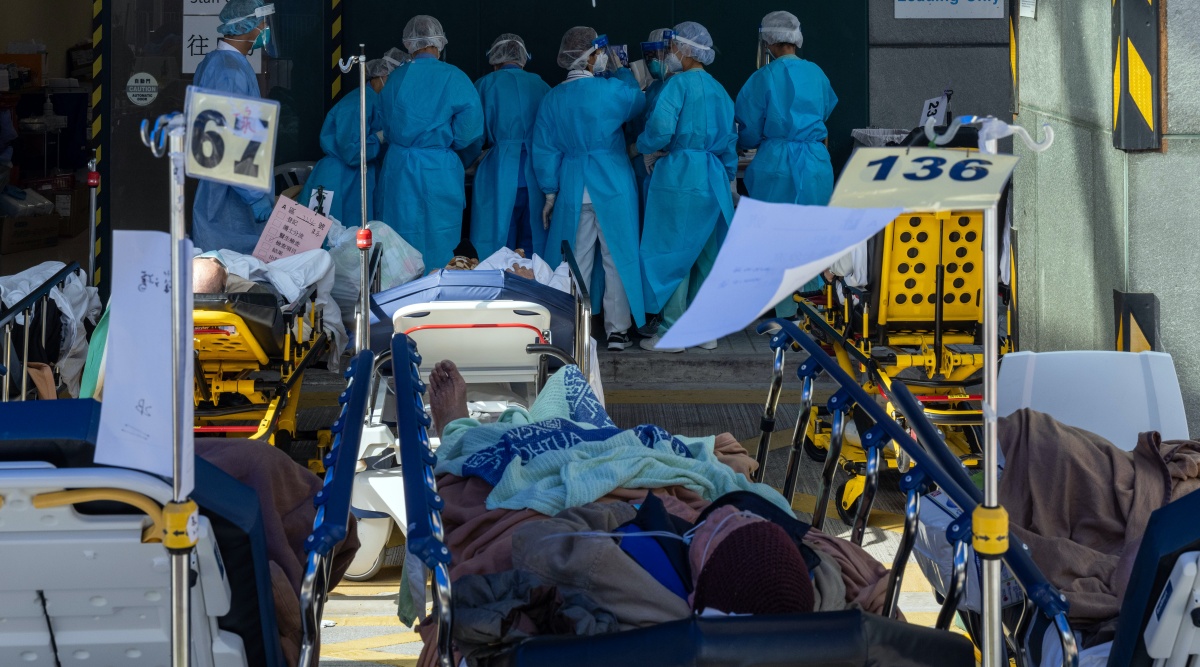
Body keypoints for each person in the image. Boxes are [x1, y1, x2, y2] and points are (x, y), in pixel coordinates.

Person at [533, 27, 646, 351]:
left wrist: (550, 192)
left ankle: (573, 328)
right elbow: (637, 101)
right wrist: (621, 69)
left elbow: (544, 149)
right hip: (612, 183)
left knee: (576, 260)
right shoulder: (610, 90)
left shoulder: (552, 98)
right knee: (617, 257)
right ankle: (618, 331)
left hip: (573, 185)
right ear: (593, 56)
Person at [636, 22, 736, 353]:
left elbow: (660, 131)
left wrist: (643, 145)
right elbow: (730, 142)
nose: (668, 55)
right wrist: (729, 176)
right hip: (713, 175)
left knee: (674, 254)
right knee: (705, 255)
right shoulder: (720, 90)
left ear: (684, 49)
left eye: (671, 48)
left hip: (678, 177)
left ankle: (671, 331)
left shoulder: (676, 87)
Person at [735, 10, 837, 318]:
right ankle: (815, 311)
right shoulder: (817, 73)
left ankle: (786, 313)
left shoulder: (763, 77)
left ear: (768, 41)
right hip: (815, 161)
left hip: (776, 163)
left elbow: (749, 127)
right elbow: (826, 109)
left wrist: (751, 143)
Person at [378, 16, 484, 271]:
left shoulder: (395, 80)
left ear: (410, 44)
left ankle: (399, 302)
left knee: (398, 240)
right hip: (439, 169)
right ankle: (437, 300)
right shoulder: (455, 77)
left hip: (399, 168)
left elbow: (386, 127)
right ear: (439, 41)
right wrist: (457, 155)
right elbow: (469, 133)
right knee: (440, 237)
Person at [191, 0, 277, 254]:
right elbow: (228, 142)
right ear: (247, 25)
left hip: (228, 190)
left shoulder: (224, 65)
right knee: (231, 275)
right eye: (263, 22)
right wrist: (254, 195)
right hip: (230, 199)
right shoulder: (228, 72)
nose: (265, 28)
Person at [470, 34, 551, 260]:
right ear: (523, 58)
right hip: (536, 174)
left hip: (498, 173)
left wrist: (471, 159)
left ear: (495, 60)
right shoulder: (542, 86)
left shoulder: (485, 85)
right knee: (533, 244)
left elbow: (473, 133)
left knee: (496, 244)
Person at [300, 50, 403, 227]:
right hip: (338, 176)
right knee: (320, 235)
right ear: (382, 76)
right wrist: (379, 138)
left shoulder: (376, 101)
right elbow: (352, 151)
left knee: (354, 242)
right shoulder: (358, 102)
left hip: (359, 177)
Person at [627, 29, 672, 225]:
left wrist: (640, 148)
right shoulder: (653, 88)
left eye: (658, 55)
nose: (652, 61)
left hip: (668, 168)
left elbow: (665, 129)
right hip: (645, 170)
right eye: (649, 55)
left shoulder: (678, 87)